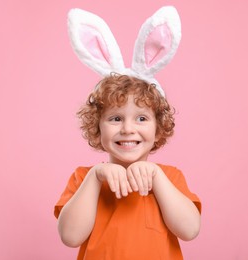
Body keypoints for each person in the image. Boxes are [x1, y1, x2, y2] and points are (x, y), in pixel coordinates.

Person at [55, 6, 201, 259]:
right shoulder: (83, 178)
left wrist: (155, 177)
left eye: (141, 118)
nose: (127, 128)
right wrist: (95, 178)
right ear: (97, 128)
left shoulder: (170, 178)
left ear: (158, 130)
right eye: (115, 118)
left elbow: (189, 230)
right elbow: (70, 236)